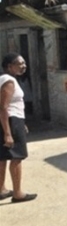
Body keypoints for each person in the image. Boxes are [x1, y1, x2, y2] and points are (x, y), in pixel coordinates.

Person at [0, 53, 37, 203]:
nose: (24, 66)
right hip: (10, 121)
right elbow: (3, 107)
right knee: (17, 156)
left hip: (12, 120)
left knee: (2, 157)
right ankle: (17, 192)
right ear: (9, 66)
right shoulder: (9, 81)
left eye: (24, 63)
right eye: (19, 63)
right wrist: (8, 133)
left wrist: (22, 124)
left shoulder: (4, 79)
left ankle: (1, 189)